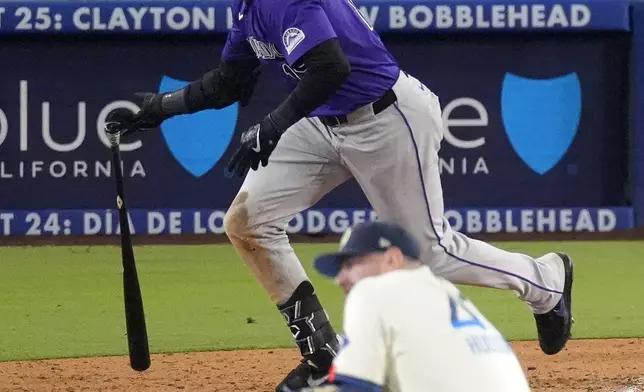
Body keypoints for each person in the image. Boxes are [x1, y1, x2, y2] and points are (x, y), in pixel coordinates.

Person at [105, 0, 574, 389]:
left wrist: (272, 124)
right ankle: (324, 357)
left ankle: (545, 282)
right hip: (324, 123)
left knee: (431, 254)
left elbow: (331, 65)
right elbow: (229, 81)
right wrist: (160, 108)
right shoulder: (246, 9)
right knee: (248, 222)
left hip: (387, 119)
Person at [289, 221, 533, 392]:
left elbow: (356, 388)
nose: (340, 279)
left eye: (353, 263)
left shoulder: (373, 290)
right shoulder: (445, 293)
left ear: (391, 259)